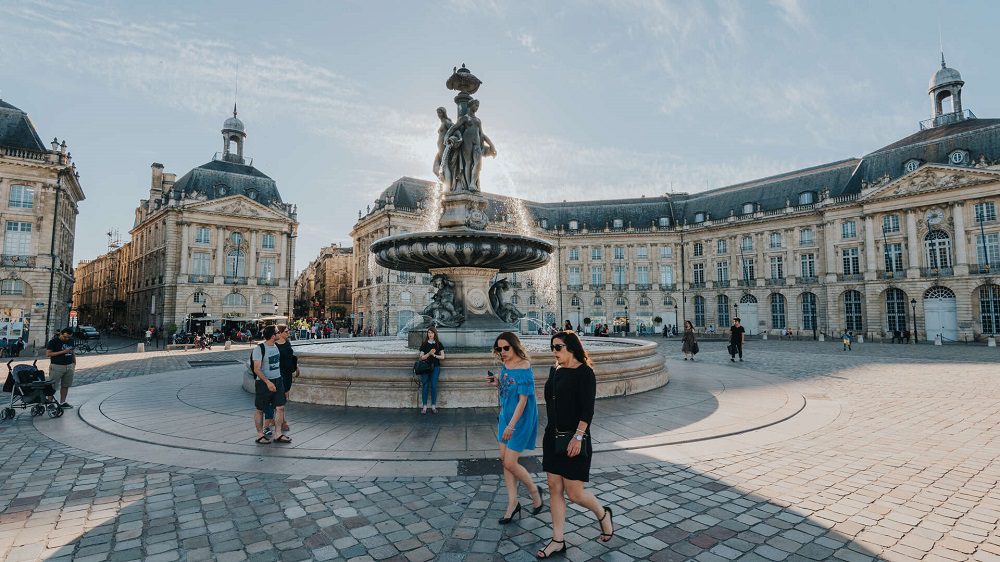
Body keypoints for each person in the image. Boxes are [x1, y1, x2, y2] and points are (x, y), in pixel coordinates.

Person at [538, 331, 613, 558]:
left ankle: (603, 514)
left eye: (558, 347)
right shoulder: (555, 370)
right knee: (554, 487)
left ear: (571, 347)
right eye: (552, 347)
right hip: (553, 436)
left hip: (574, 438)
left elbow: (587, 410)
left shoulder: (585, 373)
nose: (554, 352)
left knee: (575, 493)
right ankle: (557, 540)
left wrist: (578, 437)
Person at [489, 332, 543, 525]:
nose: (502, 352)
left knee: (511, 462)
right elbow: (506, 389)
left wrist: (511, 426)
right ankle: (513, 503)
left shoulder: (524, 367)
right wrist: (497, 383)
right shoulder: (505, 365)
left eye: (506, 348)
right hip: (505, 415)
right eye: (499, 349)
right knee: (505, 460)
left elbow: (523, 400)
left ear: (514, 346)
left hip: (519, 420)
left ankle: (534, 491)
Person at [252, 325, 290, 444]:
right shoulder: (259, 349)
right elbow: (256, 369)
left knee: (280, 407)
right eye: (278, 332)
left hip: (278, 380)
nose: (280, 334)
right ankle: (259, 435)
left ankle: (278, 434)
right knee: (260, 409)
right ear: (273, 336)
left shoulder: (276, 346)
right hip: (264, 383)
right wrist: (267, 382)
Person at [263, 324, 300, 436]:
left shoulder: (287, 343)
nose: (288, 333)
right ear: (280, 333)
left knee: (285, 397)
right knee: (280, 398)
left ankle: (278, 420)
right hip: (279, 374)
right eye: (287, 332)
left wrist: (296, 367)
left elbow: (291, 356)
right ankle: (281, 421)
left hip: (288, 373)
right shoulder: (275, 346)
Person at [45, 328, 76, 408]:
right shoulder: (53, 341)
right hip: (57, 366)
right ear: (61, 334)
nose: (67, 339)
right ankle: (50, 403)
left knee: (66, 385)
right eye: (65, 337)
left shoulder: (71, 340)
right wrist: (63, 352)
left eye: (69, 337)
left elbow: (72, 352)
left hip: (69, 366)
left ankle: (62, 402)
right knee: (52, 385)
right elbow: (48, 354)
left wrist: (74, 362)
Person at [418, 326, 445, 414]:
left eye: (432, 333)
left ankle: (433, 406)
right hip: (425, 367)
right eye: (429, 332)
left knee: (433, 386)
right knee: (425, 386)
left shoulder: (438, 344)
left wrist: (435, 356)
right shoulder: (424, 344)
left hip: (435, 367)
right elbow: (421, 357)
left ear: (435, 334)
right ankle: (424, 406)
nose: (430, 334)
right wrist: (429, 353)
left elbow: (443, 356)